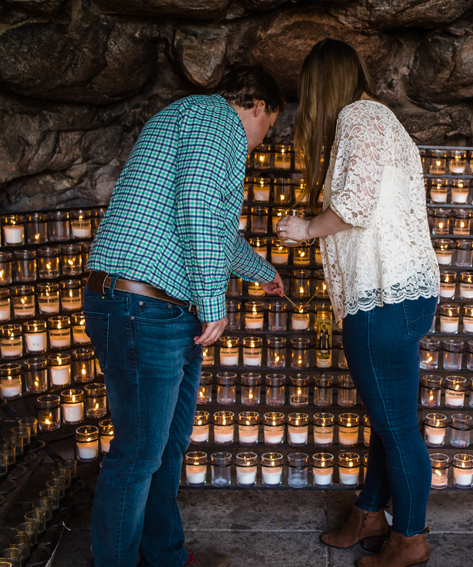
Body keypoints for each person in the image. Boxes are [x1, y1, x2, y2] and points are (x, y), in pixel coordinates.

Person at [84, 66, 285, 567]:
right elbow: (195, 205)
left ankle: (165, 556)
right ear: (258, 106)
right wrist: (214, 303)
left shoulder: (194, 119)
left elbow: (214, 226)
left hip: (158, 308)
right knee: (138, 455)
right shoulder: (217, 120)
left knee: (165, 449)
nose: (264, 140)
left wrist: (261, 271)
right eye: (270, 128)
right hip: (143, 305)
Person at [277, 39, 439, 567]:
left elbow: (353, 206)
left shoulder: (360, 117)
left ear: (320, 85)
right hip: (402, 294)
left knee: (396, 428)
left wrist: (304, 228)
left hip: (381, 296)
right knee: (388, 418)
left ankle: (409, 538)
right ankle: (369, 513)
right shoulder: (382, 121)